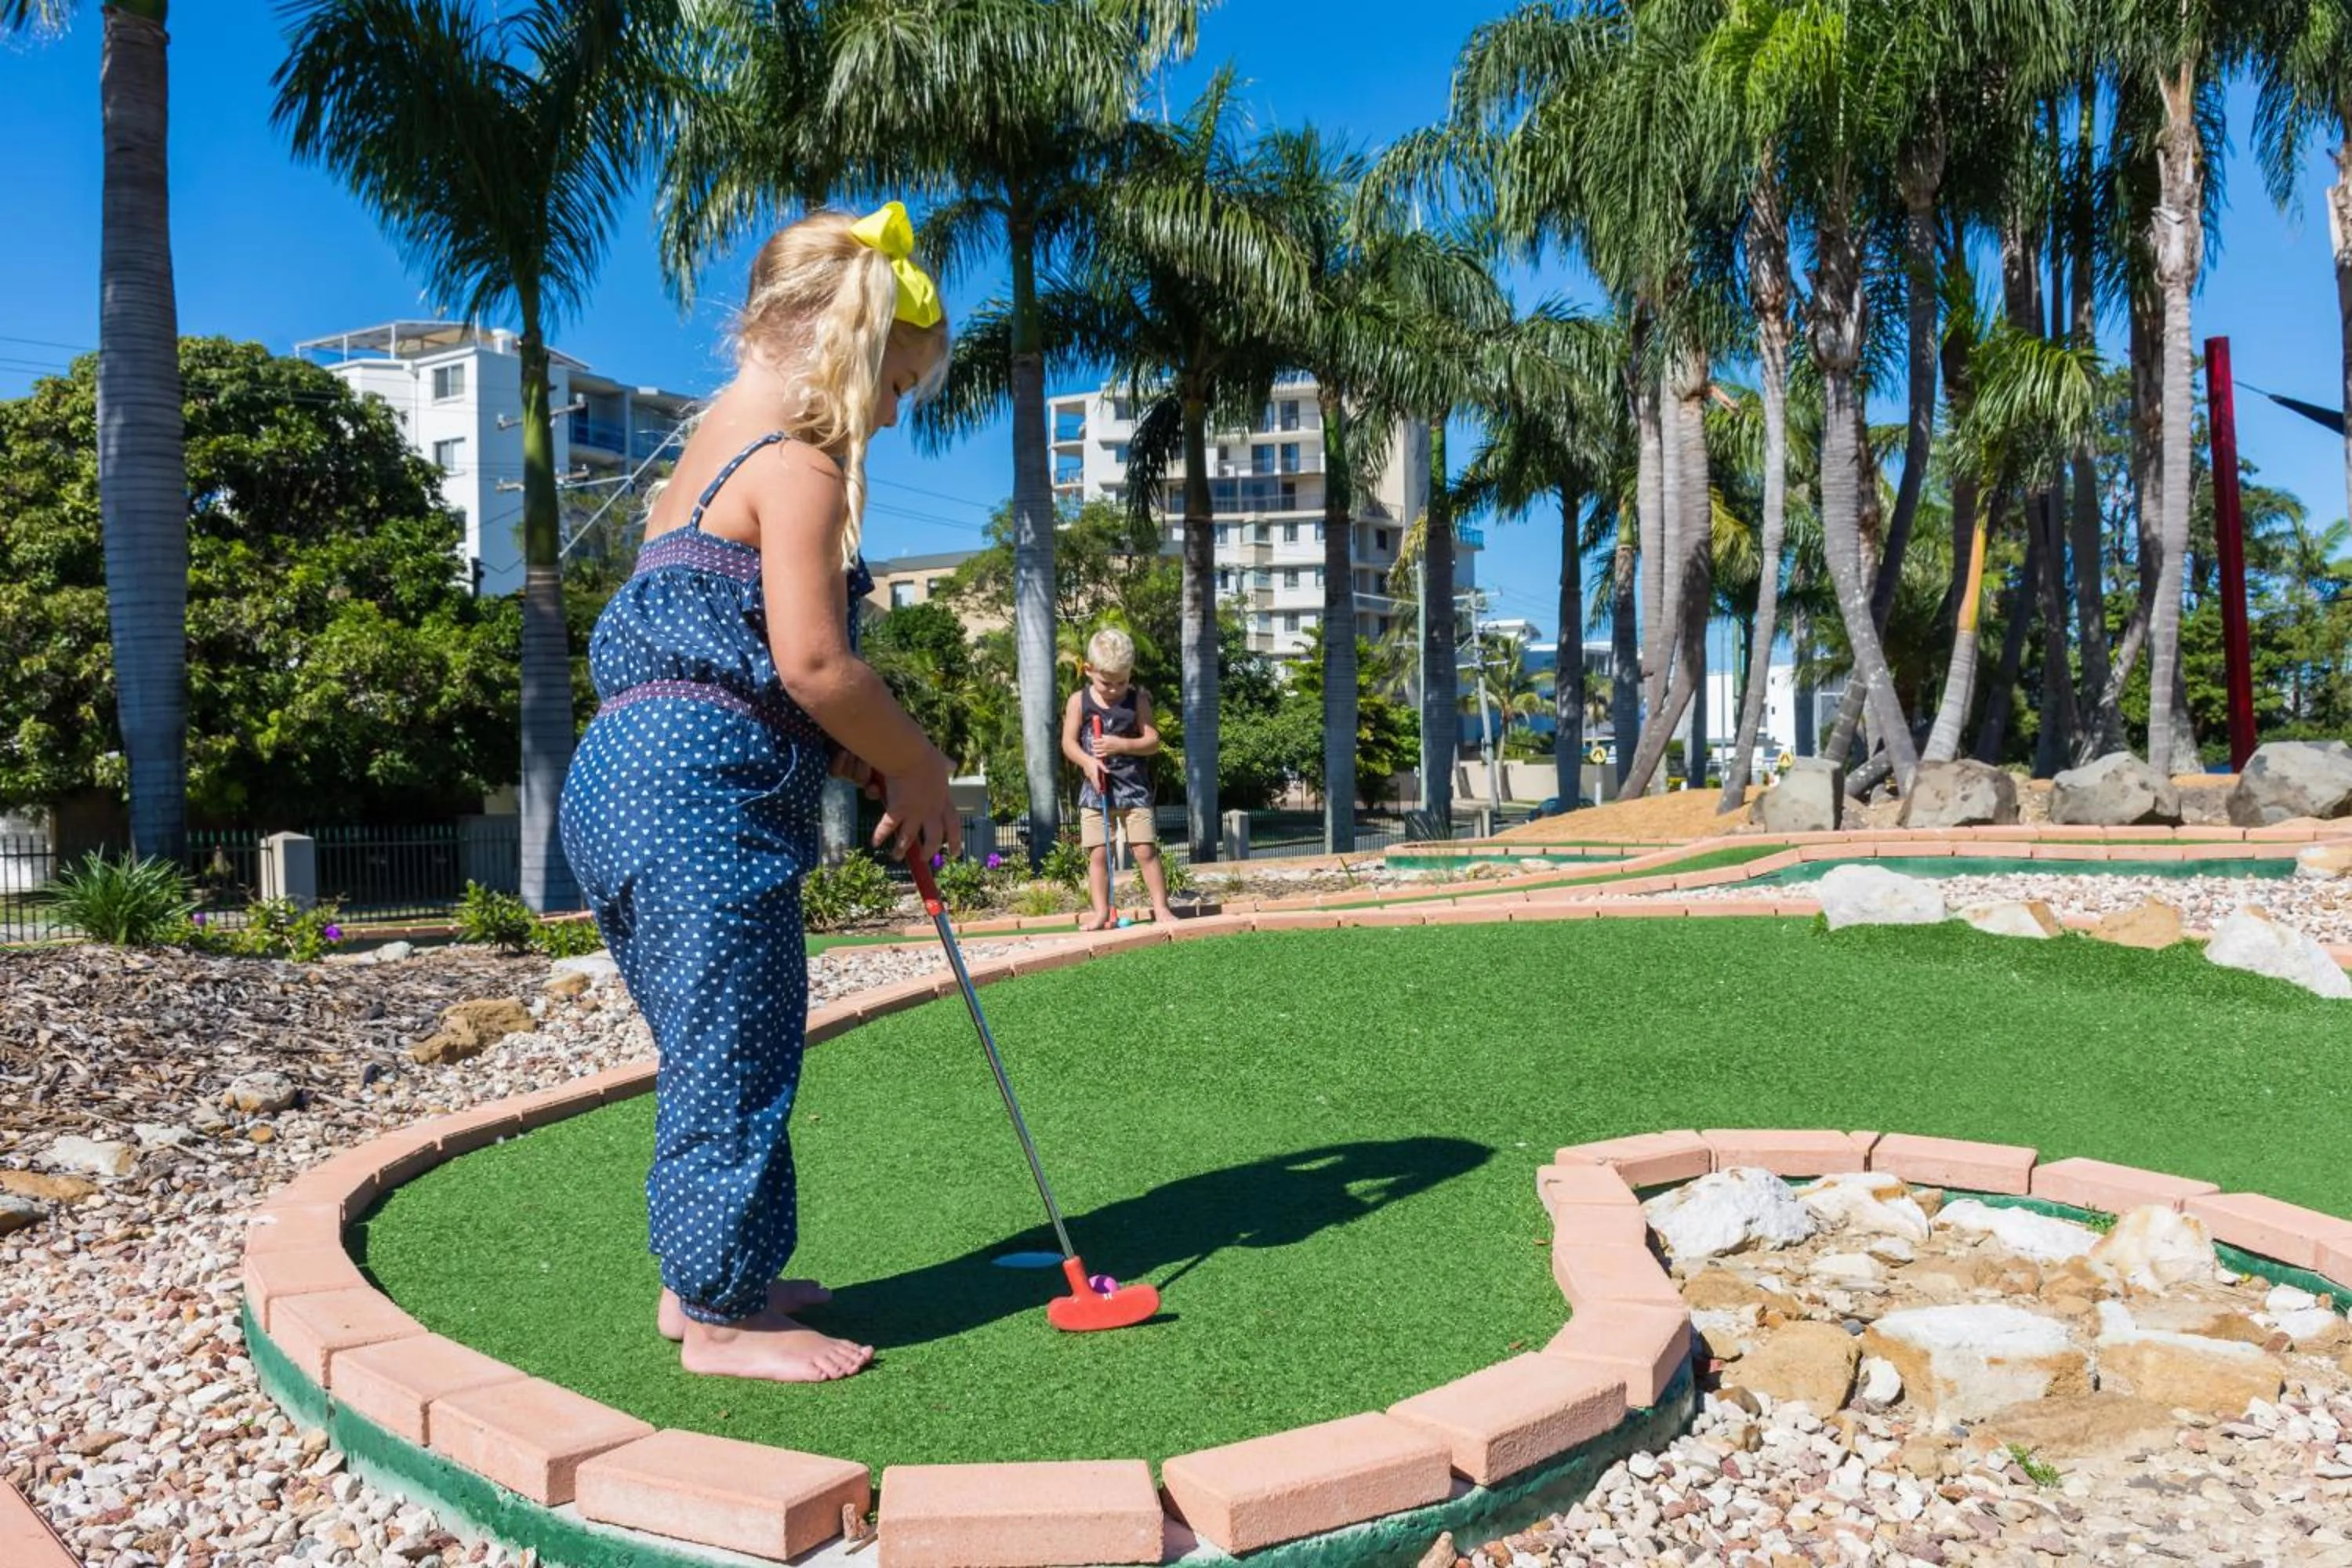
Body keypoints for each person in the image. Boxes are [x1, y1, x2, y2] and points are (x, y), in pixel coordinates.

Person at [559, 202, 957, 1385]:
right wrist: (919, 761)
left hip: (627, 778)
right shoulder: (799, 468)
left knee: (713, 1039)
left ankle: (710, 1276)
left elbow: (720, 660)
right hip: (696, 797)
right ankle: (725, 1318)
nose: (891, 413)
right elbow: (815, 665)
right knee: (737, 1043)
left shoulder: (692, 468)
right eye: (896, 383)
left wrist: (851, 755)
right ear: (843, 347)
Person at [1059, 627, 1181, 931]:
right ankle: (1101, 913)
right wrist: (1088, 761)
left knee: (1145, 850)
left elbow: (1152, 741)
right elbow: (1068, 744)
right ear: (1089, 670)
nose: (1114, 689)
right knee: (1098, 853)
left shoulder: (1136, 700)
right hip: (1095, 791)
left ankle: (1162, 908)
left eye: (1121, 681)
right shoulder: (1079, 701)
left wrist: (1122, 745)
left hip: (1133, 788)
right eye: (1106, 682)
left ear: (1130, 674)